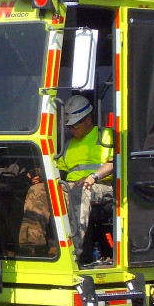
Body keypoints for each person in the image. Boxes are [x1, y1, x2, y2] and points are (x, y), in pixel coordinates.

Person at [56, 94, 114, 266]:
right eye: (69, 127)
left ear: (88, 120)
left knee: (80, 191)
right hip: (72, 185)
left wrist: (93, 176)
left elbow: (115, 162)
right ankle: (38, 246)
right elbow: (59, 168)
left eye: (75, 126)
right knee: (40, 192)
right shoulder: (68, 145)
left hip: (102, 186)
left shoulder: (106, 137)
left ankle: (76, 253)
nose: (72, 130)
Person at [17, 166, 54, 257]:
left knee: (37, 190)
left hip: (83, 183)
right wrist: (38, 174)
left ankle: (32, 247)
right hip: (64, 180)